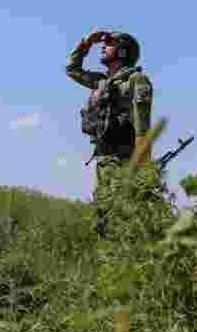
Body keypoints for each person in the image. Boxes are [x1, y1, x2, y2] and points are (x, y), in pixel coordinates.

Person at [66, 29, 154, 236]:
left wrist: (143, 168)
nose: (103, 47)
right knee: (104, 215)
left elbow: (143, 127)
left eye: (110, 44)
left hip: (125, 160)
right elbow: (72, 69)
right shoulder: (102, 82)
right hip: (104, 159)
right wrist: (86, 43)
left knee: (123, 218)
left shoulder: (136, 80)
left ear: (123, 52)